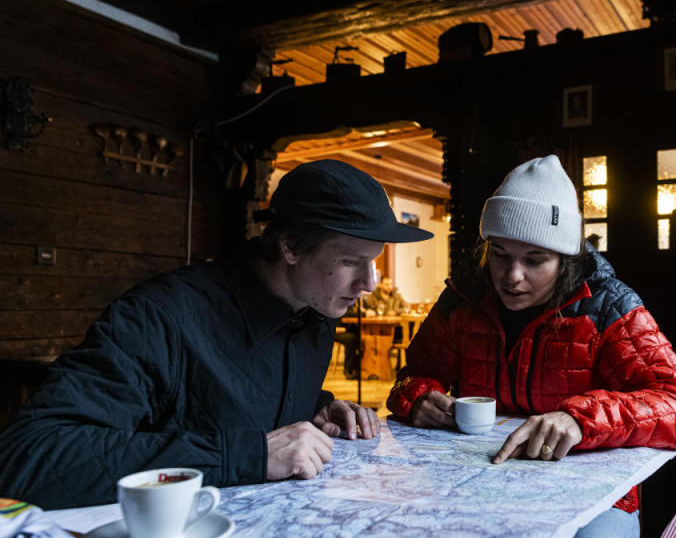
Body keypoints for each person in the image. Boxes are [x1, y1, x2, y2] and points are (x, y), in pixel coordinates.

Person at [0, 159, 432, 509]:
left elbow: (238, 397)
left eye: (374, 262)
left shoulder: (314, 312)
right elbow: (29, 457)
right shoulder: (160, 317)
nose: (369, 284)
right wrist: (246, 456)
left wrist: (317, 408)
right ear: (292, 248)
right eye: (353, 261)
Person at [386, 155, 676, 538]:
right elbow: (412, 375)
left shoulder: (606, 305)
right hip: (476, 486)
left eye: (535, 260)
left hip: (595, 501)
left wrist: (581, 419)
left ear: (566, 258)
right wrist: (420, 396)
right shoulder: (463, 299)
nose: (511, 277)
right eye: (499, 255)